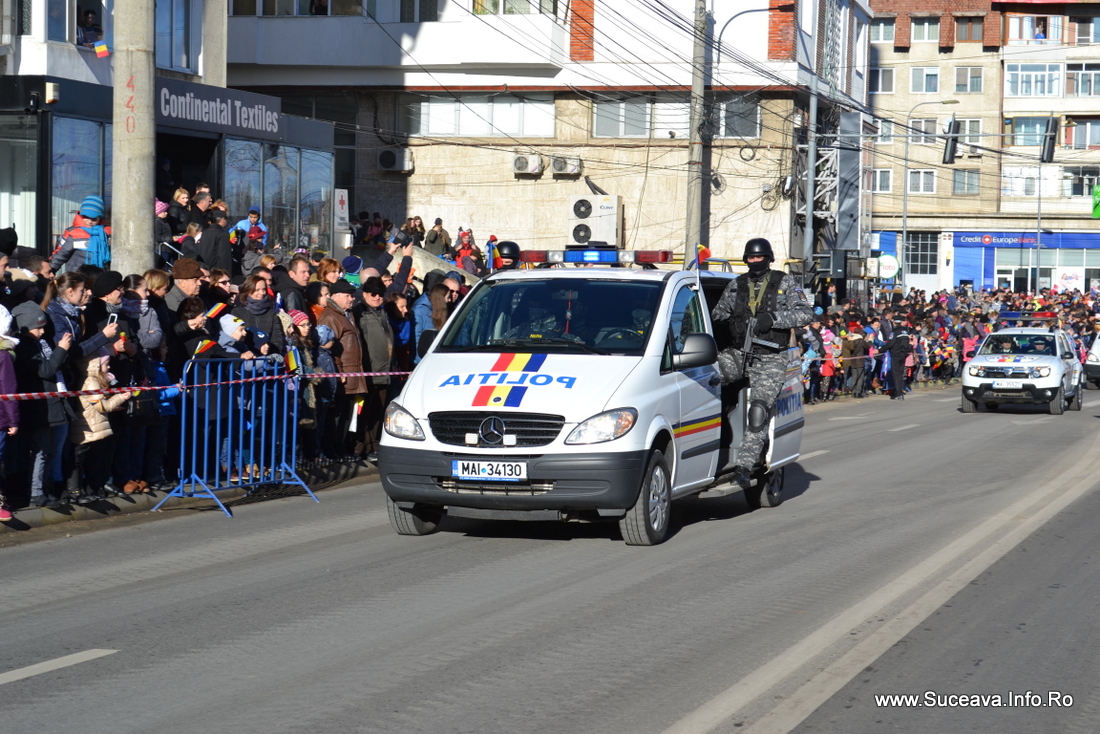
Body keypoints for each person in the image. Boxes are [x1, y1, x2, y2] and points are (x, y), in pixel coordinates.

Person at [711, 238, 813, 488]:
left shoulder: (784, 282)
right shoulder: (736, 285)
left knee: (758, 411)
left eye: (759, 257)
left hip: (770, 356)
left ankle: (744, 467)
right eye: (751, 258)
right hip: (738, 353)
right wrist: (734, 322)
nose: (755, 261)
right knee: (705, 378)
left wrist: (773, 319)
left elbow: (805, 313)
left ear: (768, 258)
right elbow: (717, 314)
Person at [51, 195, 110, 272]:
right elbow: (62, 253)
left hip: (100, 274)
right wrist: (51, 270)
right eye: (86, 217)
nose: (89, 221)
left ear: (100, 218)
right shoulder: (73, 233)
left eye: (94, 219)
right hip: (78, 275)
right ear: (81, 215)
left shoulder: (107, 232)